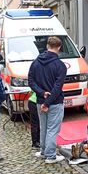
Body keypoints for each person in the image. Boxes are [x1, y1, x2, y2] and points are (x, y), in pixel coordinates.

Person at [28, 36, 67, 164]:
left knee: (43, 127)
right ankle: (50, 155)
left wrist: (41, 93)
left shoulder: (35, 62)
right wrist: (48, 101)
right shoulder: (60, 65)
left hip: (40, 100)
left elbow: (31, 81)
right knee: (52, 129)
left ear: (47, 46)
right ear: (59, 47)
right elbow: (57, 86)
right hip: (54, 102)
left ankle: (44, 151)